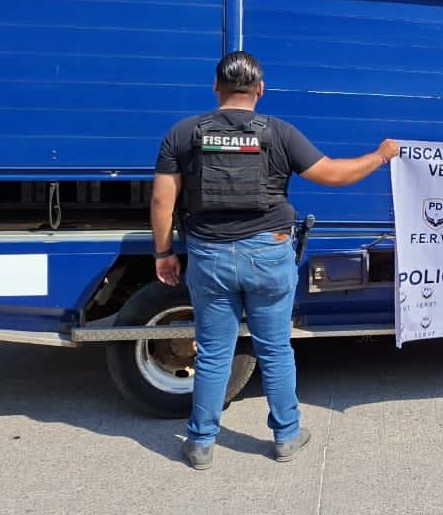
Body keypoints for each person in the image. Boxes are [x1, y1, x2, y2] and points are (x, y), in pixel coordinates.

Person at [152, 51, 399, 469]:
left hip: (209, 257)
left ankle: (200, 443)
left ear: (216, 87)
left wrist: (163, 253)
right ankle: (286, 436)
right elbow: (333, 174)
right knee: (275, 349)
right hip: (268, 254)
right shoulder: (279, 133)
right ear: (260, 90)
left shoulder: (183, 133)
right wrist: (381, 155)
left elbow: (162, 200)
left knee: (213, 353)